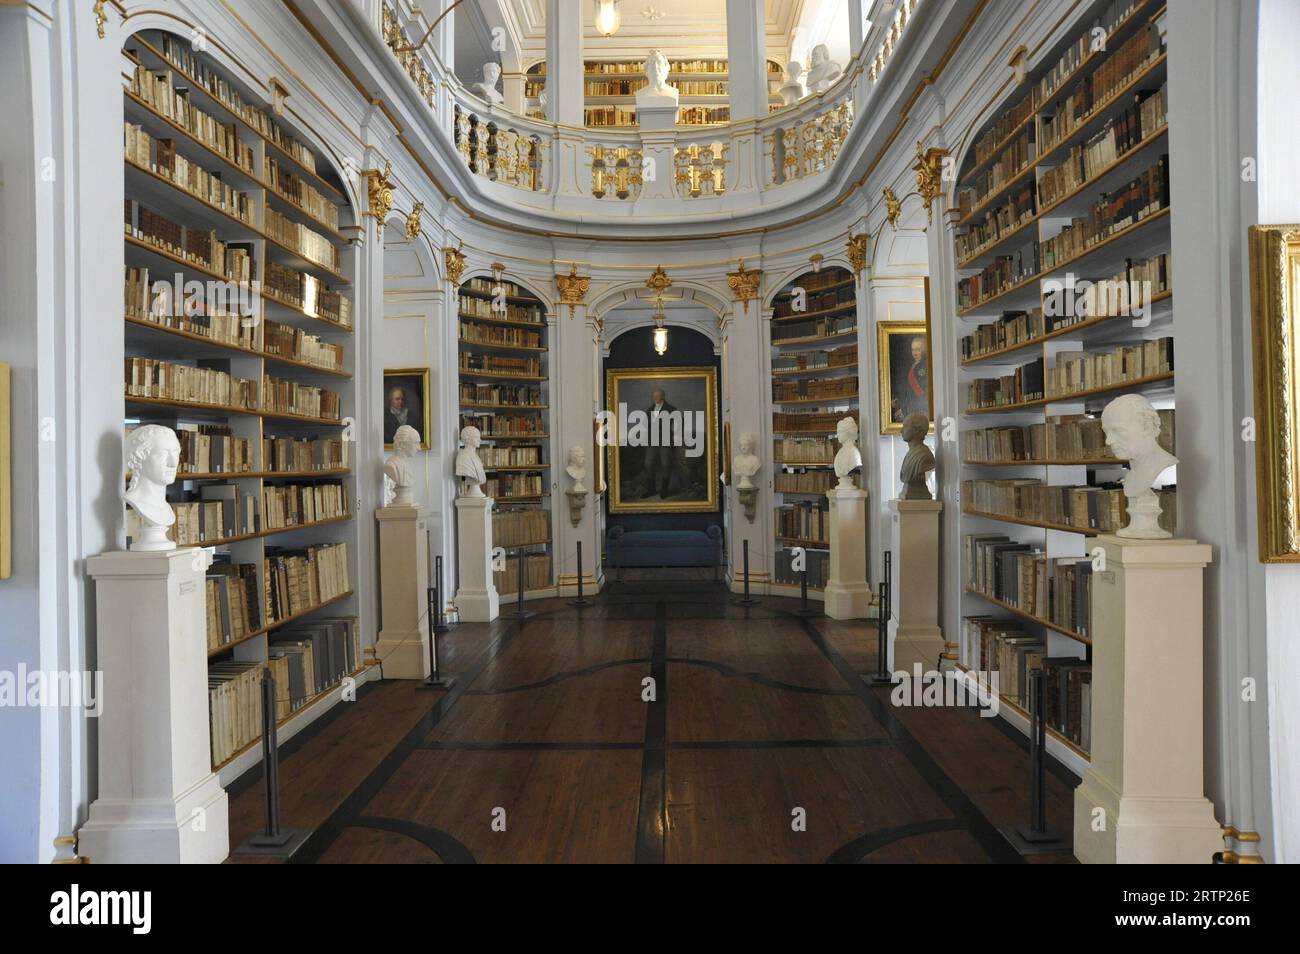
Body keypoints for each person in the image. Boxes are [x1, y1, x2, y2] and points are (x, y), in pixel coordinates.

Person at [636, 386, 681, 499]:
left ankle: (664, 490)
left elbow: (677, 426)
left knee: (666, 465)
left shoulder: (671, 409)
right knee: (648, 465)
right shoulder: (650, 409)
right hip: (652, 441)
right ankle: (651, 490)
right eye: (654, 396)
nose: (655, 397)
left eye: (658, 395)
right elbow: (646, 425)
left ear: (663, 396)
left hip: (665, 441)